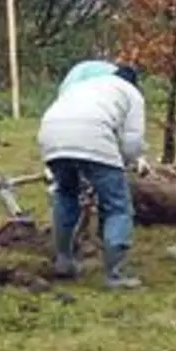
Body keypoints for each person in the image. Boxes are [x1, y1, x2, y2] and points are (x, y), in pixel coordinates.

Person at [37, 63, 148, 290]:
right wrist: (126, 163)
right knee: (117, 207)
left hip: (51, 134)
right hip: (92, 135)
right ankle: (116, 275)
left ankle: (64, 261)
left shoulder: (87, 85)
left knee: (66, 195)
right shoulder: (132, 94)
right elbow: (132, 142)